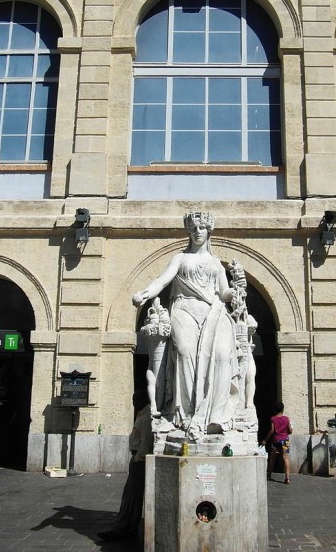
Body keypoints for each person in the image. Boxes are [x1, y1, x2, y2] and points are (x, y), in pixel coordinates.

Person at [132, 212, 238, 438]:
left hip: (212, 311)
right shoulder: (179, 258)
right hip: (184, 309)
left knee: (220, 355)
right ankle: (185, 414)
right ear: (188, 232)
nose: (198, 232)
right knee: (184, 352)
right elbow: (162, 280)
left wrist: (237, 289)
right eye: (193, 228)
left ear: (209, 231)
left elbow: (224, 291)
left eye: (202, 228)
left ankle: (214, 415)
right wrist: (145, 293)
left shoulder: (216, 263)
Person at [98, 390, 153, 541]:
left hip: (139, 461)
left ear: (143, 399)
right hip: (137, 459)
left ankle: (125, 528)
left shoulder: (147, 415)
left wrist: (138, 457)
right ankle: (126, 527)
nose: (133, 402)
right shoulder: (142, 413)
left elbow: (147, 440)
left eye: (136, 399)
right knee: (130, 496)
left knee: (132, 497)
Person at [263, 401, 293, 484]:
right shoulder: (286, 419)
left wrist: (265, 440)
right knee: (286, 458)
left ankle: (269, 475)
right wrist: (290, 430)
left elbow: (272, 430)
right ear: (283, 409)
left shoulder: (273, 419)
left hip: (276, 440)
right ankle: (287, 479)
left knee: (273, 458)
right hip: (285, 441)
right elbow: (290, 431)